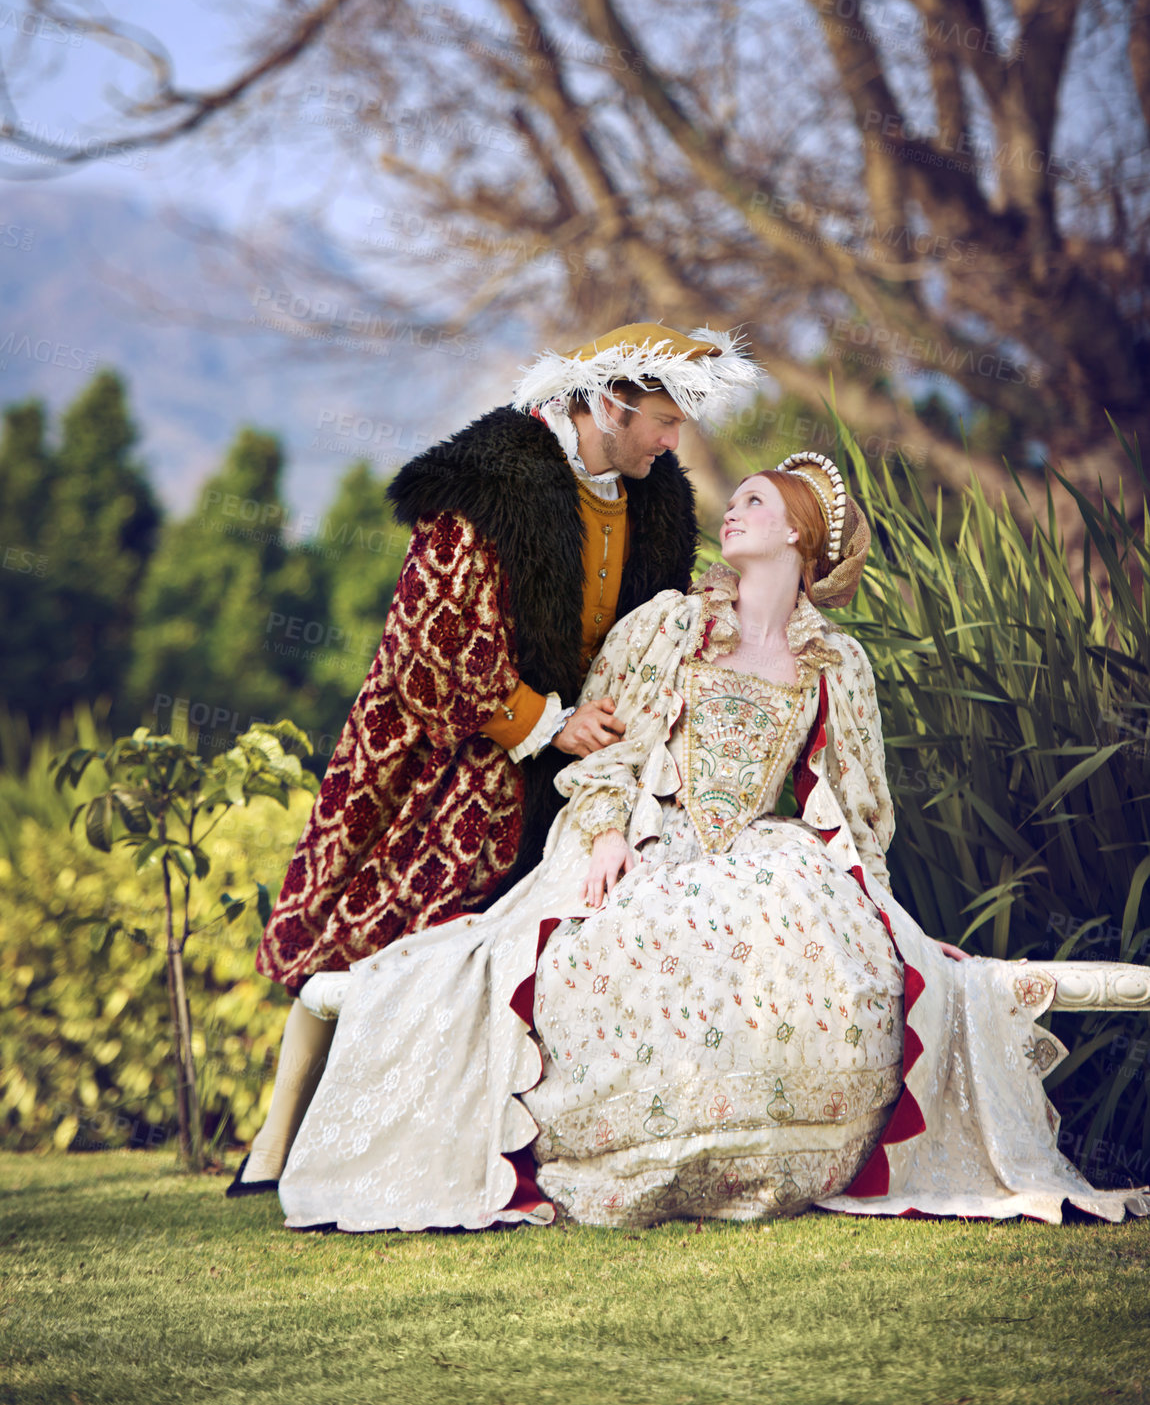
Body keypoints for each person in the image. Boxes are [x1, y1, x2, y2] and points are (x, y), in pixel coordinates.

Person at [273, 453, 1142, 1230]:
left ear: (800, 535)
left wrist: (875, 906)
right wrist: (607, 832)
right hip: (656, 840)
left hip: (774, 855)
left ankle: (781, 1151)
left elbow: (862, 805)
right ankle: (627, 1157)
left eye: (757, 503)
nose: (733, 509)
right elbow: (612, 743)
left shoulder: (836, 663)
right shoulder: (667, 626)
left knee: (819, 973)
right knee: (608, 959)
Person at [227, 322, 759, 1194]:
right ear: (609, 403)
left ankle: (464, 1145)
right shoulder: (486, 482)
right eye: (663, 420)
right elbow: (428, 643)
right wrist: (544, 723)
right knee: (369, 945)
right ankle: (276, 1143)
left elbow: (653, 627)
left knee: (524, 960)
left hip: (581, 771)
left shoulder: (658, 499)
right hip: (438, 757)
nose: (674, 441)